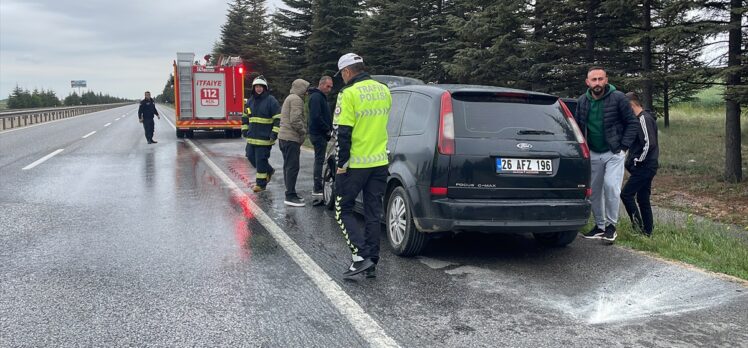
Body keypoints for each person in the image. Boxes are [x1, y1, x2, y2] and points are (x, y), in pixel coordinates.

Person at [333, 53, 391, 278]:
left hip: (356, 164)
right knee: (373, 211)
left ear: (347, 72)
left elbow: (343, 133)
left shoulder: (348, 93)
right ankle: (372, 261)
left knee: (342, 208)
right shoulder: (384, 90)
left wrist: (341, 165)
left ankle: (360, 257)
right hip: (379, 162)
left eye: (342, 75)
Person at [575, 66, 638, 243]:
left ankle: (611, 226)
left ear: (606, 80)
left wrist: (623, 147)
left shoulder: (618, 98)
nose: (597, 83)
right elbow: (578, 127)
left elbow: (632, 123)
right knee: (594, 191)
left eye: (600, 79)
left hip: (613, 152)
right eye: (594, 80)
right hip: (593, 152)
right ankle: (599, 226)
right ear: (588, 82)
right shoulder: (583, 101)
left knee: (611, 186)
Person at [621, 92, 659, 236]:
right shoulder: (640, 119)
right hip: (646, 165)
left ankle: (637, 227)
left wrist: (638, 160)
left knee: (626, 194)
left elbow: (649, 143)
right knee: (643, 199)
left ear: (631, 105)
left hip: (645, 166)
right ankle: (648, 231)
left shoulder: (643, 119)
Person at [242, 76, 282, 192]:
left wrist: (274, 134)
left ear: (265, 88)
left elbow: (277, 119)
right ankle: (269, 171)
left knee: (260, 160)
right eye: (256, 87)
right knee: (250, 156)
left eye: (260, 87)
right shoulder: (250, 101)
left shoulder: (271, 101)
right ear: (253, 88)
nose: (258, 89)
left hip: (265, 138)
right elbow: (245, 116)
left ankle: (261, 184)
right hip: (252, 138)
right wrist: (244, 129)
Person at [278, 78, 311, 207]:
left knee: (287, 166)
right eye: (306, 90)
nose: (307, 93)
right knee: (292, 167)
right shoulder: (297, 100)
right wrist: (303, 132)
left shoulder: (289, 98)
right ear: (301, 88)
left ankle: (291, 192)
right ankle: (290, 195)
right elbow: (295, 120)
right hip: (291, 138)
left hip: (283, 137)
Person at [307, 76, 334, 198]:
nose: (329, 89)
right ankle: (317, 187)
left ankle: (318, 185)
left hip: (319, 133)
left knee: (319, 159)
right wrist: (327, 130)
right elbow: (316, 117)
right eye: (328, 86)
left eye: (331, 87)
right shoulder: (316, 97)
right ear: (321, 84)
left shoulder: (319, 97)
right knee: (319, 160)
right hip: (318, 134)